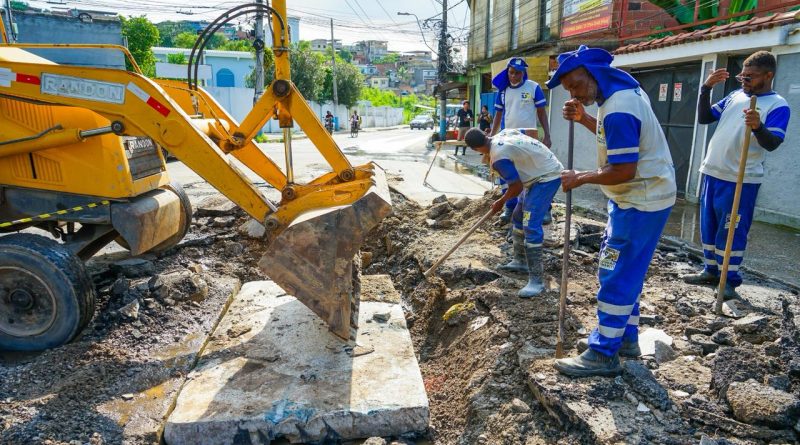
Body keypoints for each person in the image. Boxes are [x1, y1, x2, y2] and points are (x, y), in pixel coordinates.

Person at [546, 45, 676, 377]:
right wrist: (584, 118)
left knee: (613, 272)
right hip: (637, 198)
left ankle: (603, 352)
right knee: (626, 271)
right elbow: (614, 140)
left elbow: (623, 169)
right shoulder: (619, 92)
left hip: (639, 201)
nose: (573, 93)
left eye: (575, 85)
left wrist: (580, 177)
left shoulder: (619, 107)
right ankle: (626, 340)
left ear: (592, 74)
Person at [682, 51, 790, 298]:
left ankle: (728, 280)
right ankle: (710, 270)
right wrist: (705, 89)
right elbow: (705, 117)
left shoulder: (778, 104)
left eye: (750, 76)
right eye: (743, 75)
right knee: (708, 227)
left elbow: (772, 143)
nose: (744, 80)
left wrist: (758, 126)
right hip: (712, 171)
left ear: (769, 75)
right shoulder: (736, 95)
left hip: (741, 178)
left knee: (731, 230)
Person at [464, 128, 563, 298]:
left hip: (546, 177)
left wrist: (500, 203)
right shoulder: (504, 133)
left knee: (530, 224)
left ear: (476, 149)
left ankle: (536, 281)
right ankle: (520, 260)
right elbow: (531, 131)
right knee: (518, 216)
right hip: (538, 173)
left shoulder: (498, 157)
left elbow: (516, 186)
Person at [490, 57, 553, 225]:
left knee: (534, 171)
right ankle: (509, 208)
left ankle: (545, 209)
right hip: (508, 138)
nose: (514, 76)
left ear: (523, 73)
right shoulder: (502, 92)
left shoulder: (533, 87)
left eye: (518, 73)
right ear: (507, 72)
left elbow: (541, 112)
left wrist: (547, 134)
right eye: (511, 72)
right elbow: (498, 115)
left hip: (528, 137)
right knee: (507, 173)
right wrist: (492, 134)